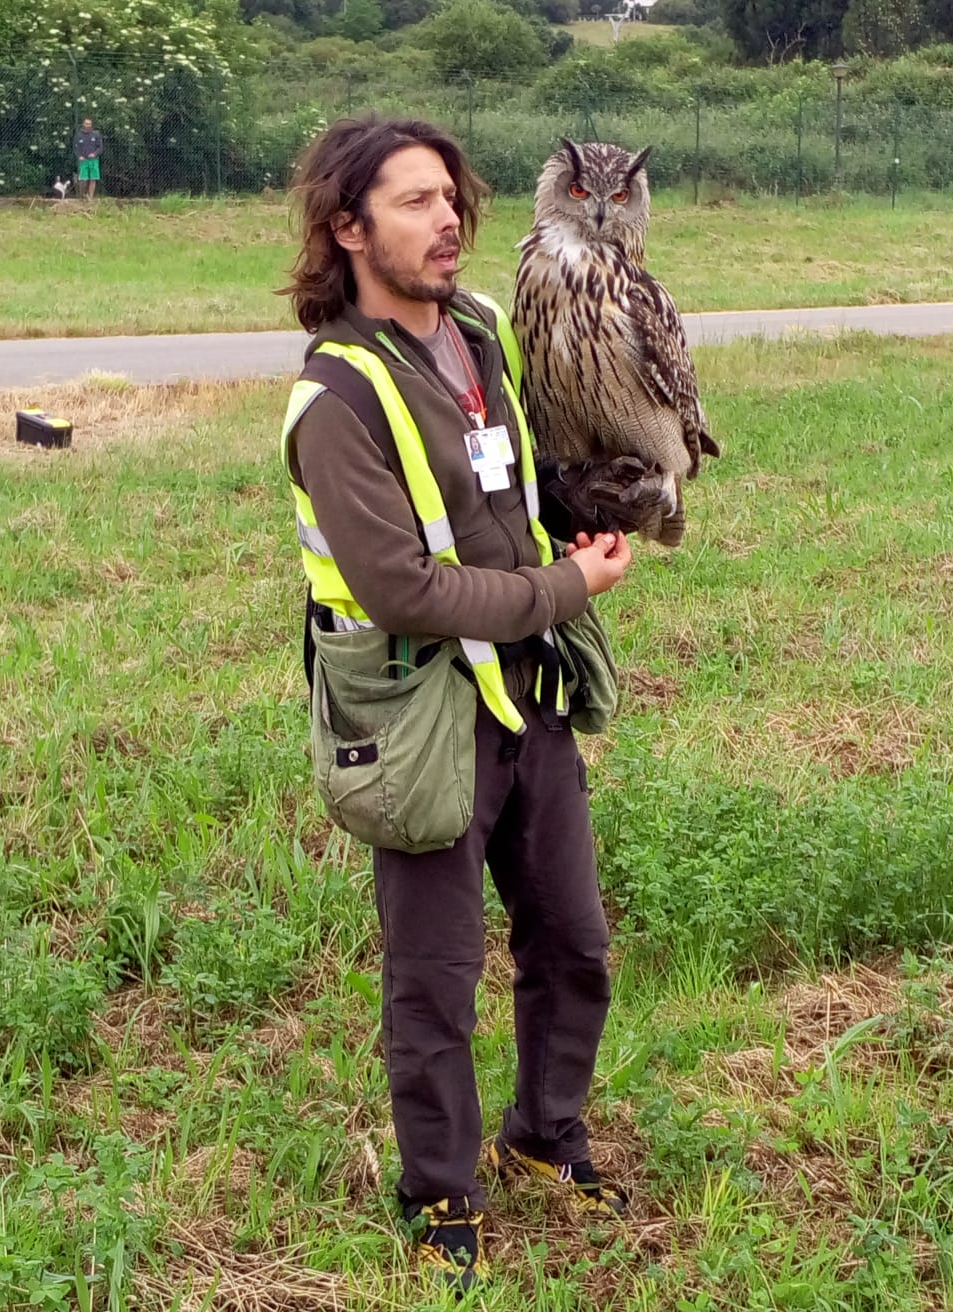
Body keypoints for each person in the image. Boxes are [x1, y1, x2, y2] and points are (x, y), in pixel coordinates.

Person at [280, 115, 632, 1291]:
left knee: (573, 941)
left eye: (452, 197)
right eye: (416, 203)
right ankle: (440, 1193)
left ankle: (547, 1139)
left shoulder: (481, 331)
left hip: (526, 696)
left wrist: (598, 503)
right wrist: (562, 585)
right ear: (347, 227)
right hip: (417, 722)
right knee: (435, 977)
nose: (448, 221)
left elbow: (515, 480)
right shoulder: (334, 397)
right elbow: (401, 585)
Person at [73, 118, 102, 200]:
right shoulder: (78, 135)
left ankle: (90, 197)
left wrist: (94, 154)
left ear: (91, 125)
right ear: (83, 124)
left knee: (93, 178)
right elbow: (75, 149)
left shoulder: (96, 135)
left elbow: (100, 147)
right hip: (83, 160)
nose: (88, 126)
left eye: (89, 124)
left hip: (94, 160)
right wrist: (79, 156)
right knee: (83, 179)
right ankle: (82, 195)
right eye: (86, 124)